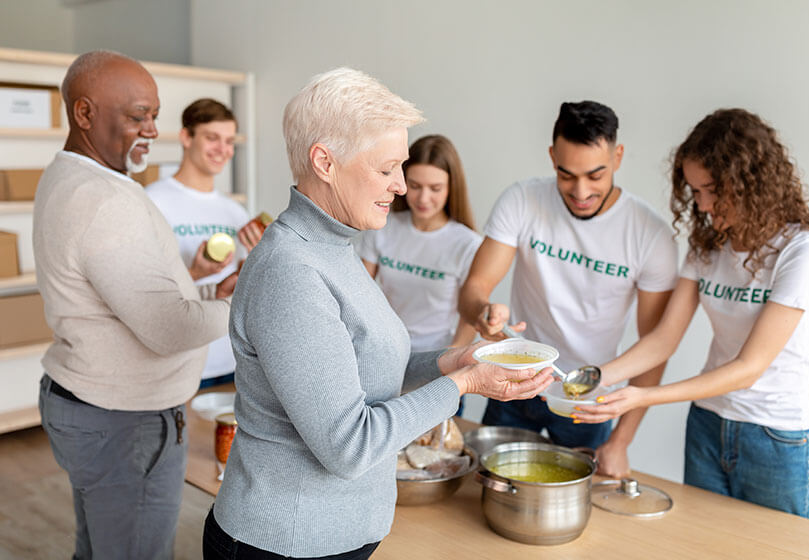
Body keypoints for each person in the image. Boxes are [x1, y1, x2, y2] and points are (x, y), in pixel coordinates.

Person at [202, 67, 554, 560]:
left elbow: (362, 366)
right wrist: (465, 385)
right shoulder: (291, 271)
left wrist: (454, 361)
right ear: (324, 162)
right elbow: (349, 446)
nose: (401, 187)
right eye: (387, 169)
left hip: (332, 538)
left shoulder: (334, 246)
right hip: (283, 542)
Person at [573, 108, 809, 519]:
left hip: (776, 436)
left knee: (778, 548)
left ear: (751, 183)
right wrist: (594, 377)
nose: (704, 205)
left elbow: (749, 368)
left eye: (713, 190)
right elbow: (664, 339)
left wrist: (643, 396)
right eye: (695, 192)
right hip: (708, 425)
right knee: (703, 542)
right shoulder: (709, 246)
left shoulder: (803, 252)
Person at [33, 50, 235, 559]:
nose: (151, 129)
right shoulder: (107, 199)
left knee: (100, 548)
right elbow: (169, 329)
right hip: (124, 423)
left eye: (155, 115)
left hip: (89, 406)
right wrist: (248, 306)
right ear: (84, 113)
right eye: (137, 116)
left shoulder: (66, 175)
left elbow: (124, 298)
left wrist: (207, 294)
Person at [459, 100, 679, 477]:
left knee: (573, 496)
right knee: (492, 485)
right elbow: (473, 288)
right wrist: (483, 313)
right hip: (518, 381)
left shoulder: (650, 235)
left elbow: (655, 347)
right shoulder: (522, 200)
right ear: (552, 157)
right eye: (566, 175)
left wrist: (620, 442)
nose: (580, 191)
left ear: (618, 156)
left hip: (588, 398)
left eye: (595, 175)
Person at [146, 98, 265, 388]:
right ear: (186, 137)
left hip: (232, 359)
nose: (223, 150)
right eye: (212, 138)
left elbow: (245, 287)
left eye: (229, 141)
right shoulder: (152, 201)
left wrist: (258, 259)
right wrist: (196, 274)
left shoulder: (235, 211)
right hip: (179, 362)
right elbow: (142, 291)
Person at [356, 134, 481, 352]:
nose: (423, 198)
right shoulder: (382, 226)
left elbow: (470, 318)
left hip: (436, 353)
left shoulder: (468, 244)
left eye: (435, 188)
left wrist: (447, 358)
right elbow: (358, 291)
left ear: (451, 187)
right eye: (415, 186)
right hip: (384, 347)